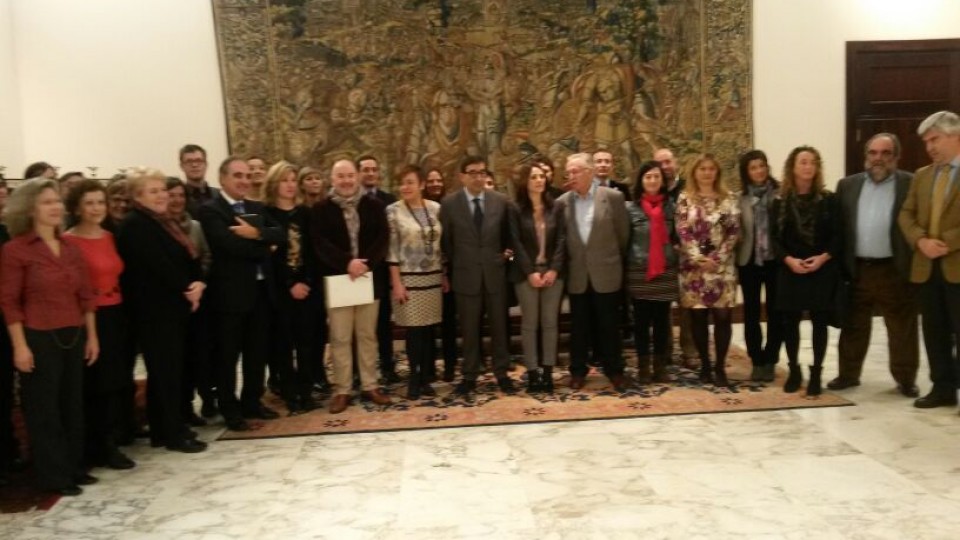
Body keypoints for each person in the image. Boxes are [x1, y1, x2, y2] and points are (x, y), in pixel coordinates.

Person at [0, 178, 99, 496]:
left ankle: (74, 467)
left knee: (73, 404)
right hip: (38, 336)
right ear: (30, 209)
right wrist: (19, 347)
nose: (55, 207)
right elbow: (9, 302)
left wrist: (92, 337)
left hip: (73, 332)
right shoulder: (15, 250)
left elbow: (86, 295)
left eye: (57, 201)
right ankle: (53, 475)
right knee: (45, 410)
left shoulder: (70, 246)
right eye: (46, 202)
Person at [117, 168, 208, 453]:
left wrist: (197, 283)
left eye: (162, 190)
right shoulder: (135, 224)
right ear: (137, 196)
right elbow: (158, 264)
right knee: (165, 371)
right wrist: (187, 287)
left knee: (168, 371)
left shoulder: (162, 221)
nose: (161, 196)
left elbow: (186, 256)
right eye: (153, 191)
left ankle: (165, 428)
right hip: (154, 310)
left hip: (172, 306)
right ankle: (172, 433)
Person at [199, 157, 285, 431]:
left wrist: (254, 233)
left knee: (256, 352)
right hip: (230, 296)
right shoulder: (211, 210)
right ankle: (229, 408)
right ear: (223, 178)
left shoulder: (256, 207)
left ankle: (252, 401)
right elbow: (227, 246)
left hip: (261, 293)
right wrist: (263, 244)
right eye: (238, 175)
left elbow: (280, 234)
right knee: (228, 355)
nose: (244, 181)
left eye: (247, 176)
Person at [833, 133, 919, 397]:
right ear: (865, 156)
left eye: (885, 153)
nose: (878, 158)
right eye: (873, 153)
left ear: (896, 157)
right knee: (853, 325)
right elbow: (840, 228)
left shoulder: (911, 183)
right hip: (857, 268)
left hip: (894, 268)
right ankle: (848, 374)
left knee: (901, 327)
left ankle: (905, 379)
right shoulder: (847, 185)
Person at [63, 180, 136, 470]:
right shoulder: (68, 241)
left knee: (116, 378)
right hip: (90, 316)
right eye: (89, 203)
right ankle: (96, 445)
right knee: (96, 382)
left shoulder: (109, 236)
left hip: (117, 312)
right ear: (77, 208)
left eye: (100, 202)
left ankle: (111, 437)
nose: (96, 208)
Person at [312, 159, 392, 413]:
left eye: (349, 175)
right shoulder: (321, 209)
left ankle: (370, 385)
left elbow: (383, 238)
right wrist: (347, 263)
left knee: (367, 335)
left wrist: (364, 265)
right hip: (339, 280)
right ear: (332, 179)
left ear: (357, 177)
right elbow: (319, 243)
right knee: (340, 337)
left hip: (368, 280)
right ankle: (342, 390)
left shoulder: (375, 206)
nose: (346, 181)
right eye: (340, 176)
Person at [898, 110, 960, 411]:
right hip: (926, 266)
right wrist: (920, 240)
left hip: (956, 264)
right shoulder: (922, 176)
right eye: (926, 143)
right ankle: (942, 387)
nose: (930, 147)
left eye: (935, 139)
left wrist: (947, 242)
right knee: (934, 330)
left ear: (954, 136)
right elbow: (905, 215)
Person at [440, 156, 516, 396]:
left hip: (495, 276)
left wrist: (506, 257)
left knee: (499, 329)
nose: (478, 177)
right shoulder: (450, 204)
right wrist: (459, 265)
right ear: (462, 176)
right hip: (466, 276)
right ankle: (470, 375)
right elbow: (447, 243)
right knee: (469, 330)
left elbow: (510, 238)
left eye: (482, 172)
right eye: (472, 172)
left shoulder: (501, 201)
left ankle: (502, 373)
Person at [556, 153, 631, 392]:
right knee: (579, 327)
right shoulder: (562, 202)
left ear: (589, 172)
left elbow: (623, 236)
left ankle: (615, 370)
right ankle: (578, 371)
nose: (571, 176)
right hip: (578, 274)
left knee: (609, 325)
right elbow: (561, 240)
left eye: (575, 171)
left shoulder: (613, 198)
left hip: (606, 271)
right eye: (568, 172)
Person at [771, 146, 841, 396]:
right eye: (803, 162)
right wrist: (789, 260)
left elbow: (837, 236)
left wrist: (822, 258)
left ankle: (816, 373)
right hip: (790, 268)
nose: (808, 167)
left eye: (812, 162)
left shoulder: (828, 200)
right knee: (790, 323)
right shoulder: (779, 202)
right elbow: (773, 240)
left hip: (820, 269)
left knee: (819, 322)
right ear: (793, 167)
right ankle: (794, 370)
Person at [676, 154, 741, 388]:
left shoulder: (729, 198)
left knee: (723, 317)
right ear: (694, 172)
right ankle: (704, 364)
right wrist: (699, 258)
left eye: (711, 168)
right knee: (698, 317)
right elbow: (682, 230)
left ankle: (720, 366)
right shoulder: (685, 198)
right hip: (694, 269)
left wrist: (717, 258)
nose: (707, 172)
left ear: (717, 172)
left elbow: (733, 231)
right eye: (702, 168)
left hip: (722, 268)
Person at [263, 161, 319, 414]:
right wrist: (290, 284)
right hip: (279, 291)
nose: (289, 185)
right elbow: (269, 258)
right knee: (283, 346)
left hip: (305, 289)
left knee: (307, 343)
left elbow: (312, 252)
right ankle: (289, 394)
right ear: (274, 183)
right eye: (284, 180)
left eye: (292, 180)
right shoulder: (265, 215)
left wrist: (305, 282)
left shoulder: (305, 214)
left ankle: (306, 392)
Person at [387, 165, 445, 399]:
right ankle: (413, 377)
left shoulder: (436, 209)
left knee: (428, 330)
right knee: (413, 332)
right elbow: (391, 251)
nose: (405, 187)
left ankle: (425, 379)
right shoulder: (393, 211)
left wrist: (444, 275)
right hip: (408, 279)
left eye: (410, 182)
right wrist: (397, 283)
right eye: (402, 183)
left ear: (421, 184)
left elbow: (442, 245)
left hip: (432, 277)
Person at [509, 163, 565, 392]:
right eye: (533, 177)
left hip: (553, 273)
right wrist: (529, 272)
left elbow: (563, 240)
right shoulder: (515, 209)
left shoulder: (557, 207)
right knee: (530, 324)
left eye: (542, 176)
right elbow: (515, 243)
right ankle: (532, 373)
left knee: (550, 323)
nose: (539, 180)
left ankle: (548, 373)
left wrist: (554, 269)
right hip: (526, 274)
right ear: (525, 181)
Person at [166, 177, 216, 421]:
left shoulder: (194, 226)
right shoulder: (159, 227)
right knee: (177, 358)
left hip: (199, 298)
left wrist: (200, 281)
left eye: (180, 196)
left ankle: (206, 399)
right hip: (172, 299)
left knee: (201, 353)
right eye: (171, 195)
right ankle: (181, 408)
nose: (176, 200)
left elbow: (206, 256)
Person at [626, 161, 679, 384]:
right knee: (640, 323)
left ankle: (660, 366)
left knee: (661, 322)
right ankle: (643, 367)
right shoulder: (631, 208)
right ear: (641, 181)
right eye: (648, 177)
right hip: (640, 271)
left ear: (662, 180)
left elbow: (677, 235)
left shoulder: (672, 207)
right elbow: (624, 239)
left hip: (664, 270)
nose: (653, 181)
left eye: (656, 177)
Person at [735, 150, 783, 382]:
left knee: (776, 312)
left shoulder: (781, 193)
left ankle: (771, 359)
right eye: (753, 168)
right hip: (749, 262)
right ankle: (756, 360)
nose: (759, 171)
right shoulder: (740, 198)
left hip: (775, 261)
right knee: (751, 313)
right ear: (747, 172)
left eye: (762, 166)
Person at [357, 155, 400, 383]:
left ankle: (387, 366)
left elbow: (392, 236)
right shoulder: (350, 200)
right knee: (360, 327)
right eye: (366, 169)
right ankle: (359, 372)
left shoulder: (389, 200)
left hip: (381, 270)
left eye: (374, 169)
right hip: (356, 271)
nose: (370, 173)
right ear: (358, 173)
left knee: (383, 323)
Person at [655, 146, 697, 365]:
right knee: (662, 305)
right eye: (660, 163)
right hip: (661, 254)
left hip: (686, 255)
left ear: (676, 163)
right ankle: (665, 350)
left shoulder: (689, 188)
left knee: (687, 304)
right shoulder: (654, 190)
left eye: (668, 162)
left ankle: (689, 350)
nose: (665, 167)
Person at [424, 167, 458, 382]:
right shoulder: (420, 208)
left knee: (448, 323)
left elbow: (450, 240)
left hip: (448, 273)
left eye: (439, 180)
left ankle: (450, 366)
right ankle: (427, 367)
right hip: (425, 274)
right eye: (431, 180)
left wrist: (446, 271)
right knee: (426, 324)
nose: (435, 184)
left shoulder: (448, 207)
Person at [179, 144, 220, 217]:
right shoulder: (179, 198)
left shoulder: (220, 195)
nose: (194, 165)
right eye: (189, 161)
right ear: (182, 166)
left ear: (206, 164)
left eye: (199, 160)